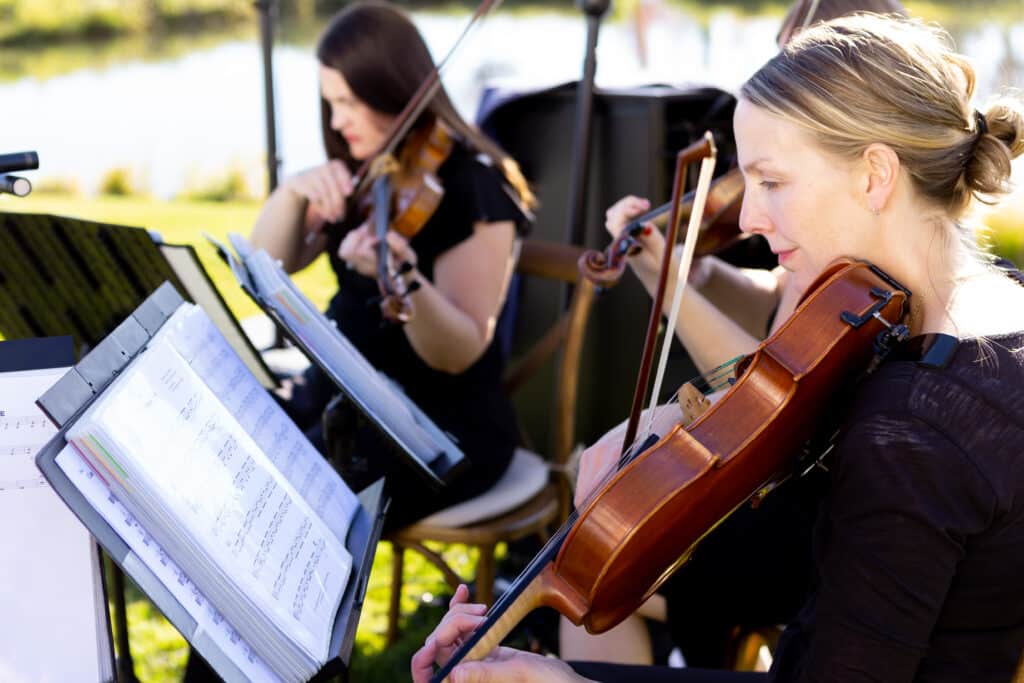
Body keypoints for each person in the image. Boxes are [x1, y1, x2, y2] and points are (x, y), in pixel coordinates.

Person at [412, 13, 1024, 683]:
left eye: (773, 182)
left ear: (875, 174)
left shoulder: (910, 433)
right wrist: (685, 420)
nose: (752, 219)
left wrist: (563, 682)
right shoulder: (987, 314)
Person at [560, 0, 910, 669]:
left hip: (814, 522)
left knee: (598, 566)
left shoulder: (874, 243)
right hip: (789, 488)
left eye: (795, 70)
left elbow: (777, 386)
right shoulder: (838, 225)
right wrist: (685, 267)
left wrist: (673, 285)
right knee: (597, 528)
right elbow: (783, 306)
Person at [248, 1, 536, 532]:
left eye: (350, 103)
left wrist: (403, 279)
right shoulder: (367, 172)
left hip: (439, 431)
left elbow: (458, 352)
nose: (336, 121)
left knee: (282, 500)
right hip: (344, 400)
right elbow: (272, 262)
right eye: (329, 103)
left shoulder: (477, 187)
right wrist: (292, 192)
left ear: (392, 88)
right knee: (240, 445)